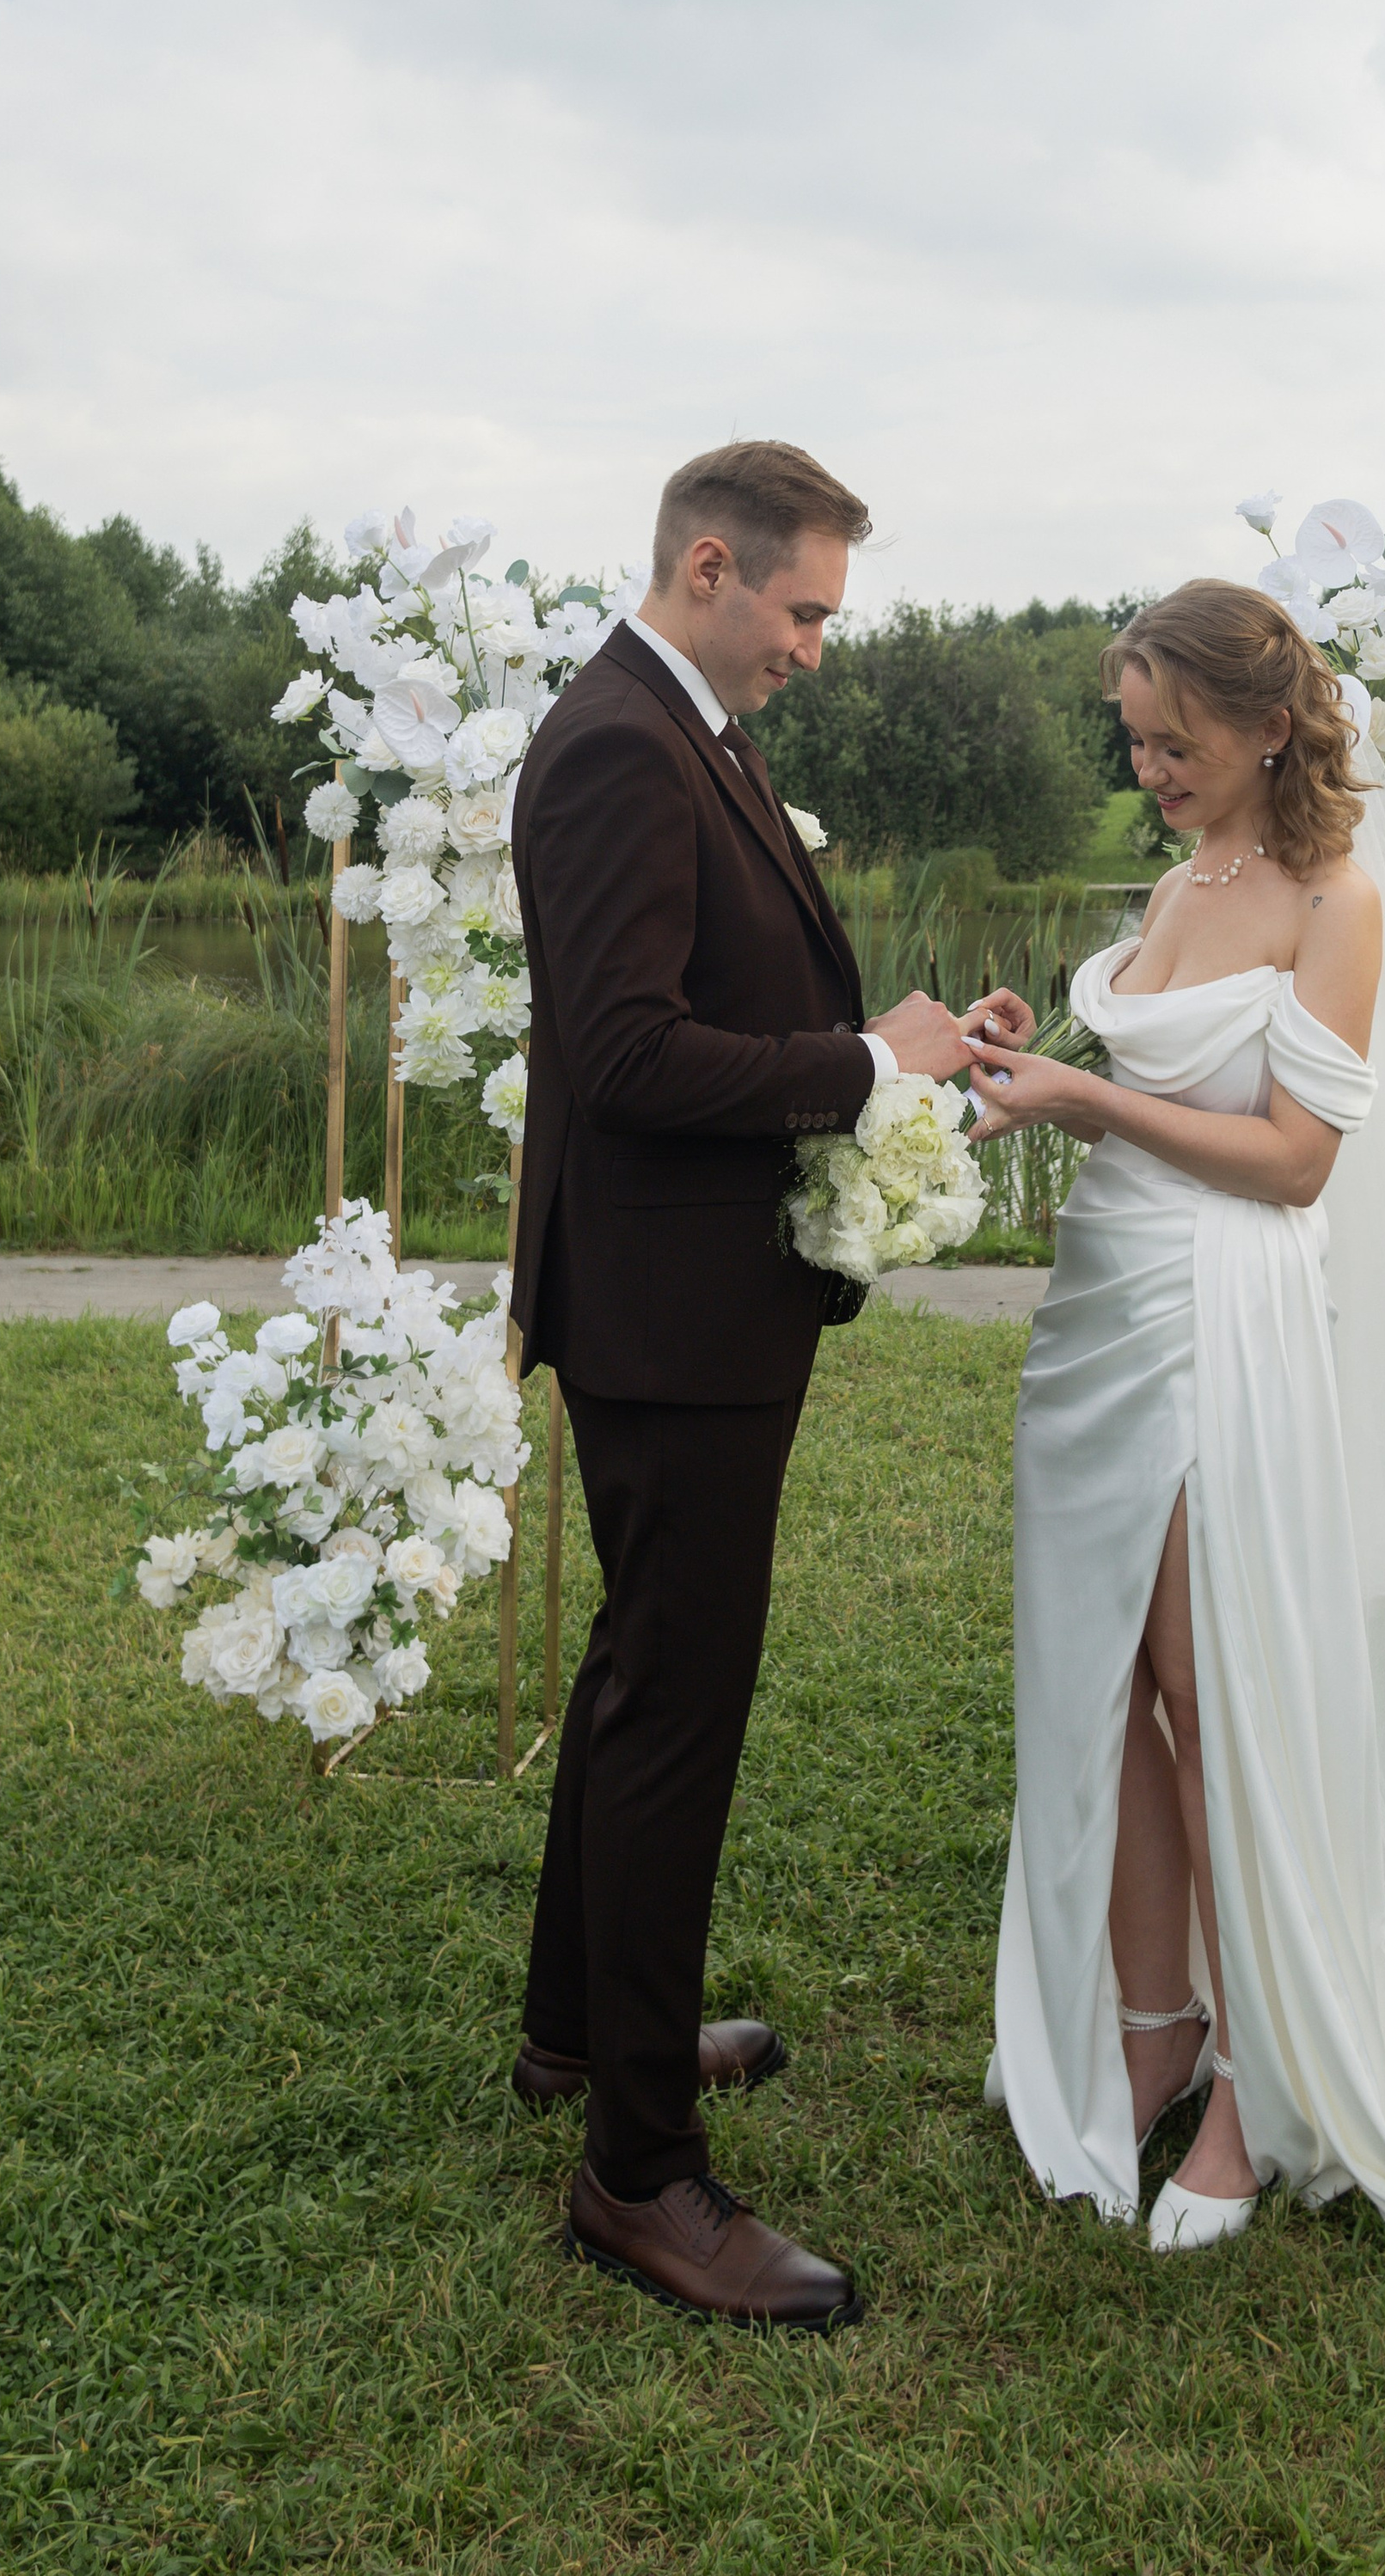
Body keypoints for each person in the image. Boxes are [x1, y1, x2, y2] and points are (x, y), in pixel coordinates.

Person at [968, 581, 1385, 2252]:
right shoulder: (1180, 882)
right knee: (1102, 1677)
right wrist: (1028, 1057)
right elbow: (1153, 1087)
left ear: (1263, 724)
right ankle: (1152, 2021)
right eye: (1131, 735)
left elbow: (1297, 1163)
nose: (1148, 763)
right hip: (1096, 1318)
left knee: (1205, 1680)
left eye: (1173, 738)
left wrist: (1088, 1096)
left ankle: (1254, 2079)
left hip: (1222, 1316)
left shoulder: (1335, 900)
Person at [506, 439, 1032, 2331]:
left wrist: (888, 1047)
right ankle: (638, 2176)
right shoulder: (611, 749)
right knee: (677, 1711)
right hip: (666, 1309)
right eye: (802, 610)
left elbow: (724, 1001)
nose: (816, 647)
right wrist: (852, 1070)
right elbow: (635, 1054)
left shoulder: (693, 730)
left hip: (696, 1297)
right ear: (710, 565)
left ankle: (580, 2032)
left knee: (641, 1668)